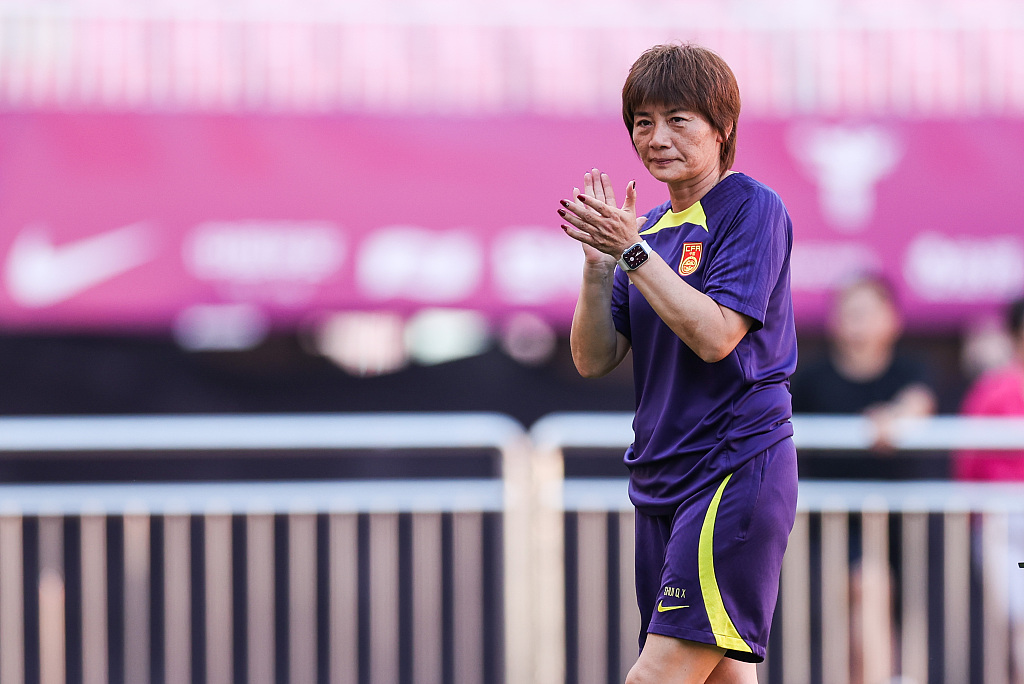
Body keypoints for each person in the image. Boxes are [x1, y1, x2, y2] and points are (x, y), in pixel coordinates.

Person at [558, 43, 798, 684]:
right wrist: (597, 265)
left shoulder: (752, 208)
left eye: (678, 119)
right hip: (662, 478)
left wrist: (631, 251)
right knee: (719, 678)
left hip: (732, 468)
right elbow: (593, 358)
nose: (657, 137)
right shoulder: (650, 228)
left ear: (723, 130)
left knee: (655, 677)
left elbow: (718, 335)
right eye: (643, 121)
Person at [955, 295, 1024, 678]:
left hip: (1000, 525)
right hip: (1003, 524)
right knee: (1011, 626)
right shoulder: (994, 390)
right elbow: (968, 462)